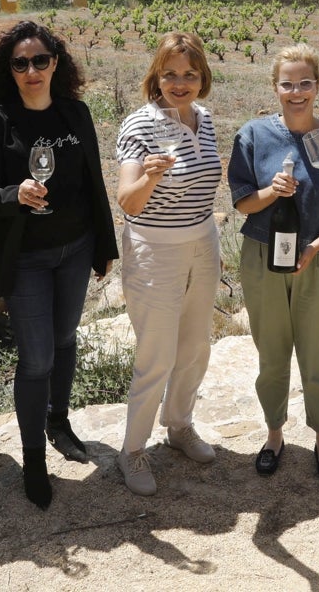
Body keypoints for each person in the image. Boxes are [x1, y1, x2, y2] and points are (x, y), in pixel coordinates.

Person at [0, 20, 118, 510]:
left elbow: (94, 183)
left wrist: (103, 246)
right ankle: (33, 456)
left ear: (56, 63)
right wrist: (18, 194)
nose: (31, 70)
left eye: (40, 60)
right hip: (27, 259)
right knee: (36, 359)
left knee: (64, 339)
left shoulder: (75, 114)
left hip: (74, 249)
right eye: (20, 62)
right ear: (7, 69)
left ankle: (59, 421)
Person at [227, 44, 319, 481]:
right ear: (275, 88)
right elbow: (244, 204)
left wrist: (314, 247)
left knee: (316, 354)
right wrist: (273, 192)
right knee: (271, 354)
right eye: (288, 83)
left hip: (318, 260)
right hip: (262, 256)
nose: (297, 91)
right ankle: (274, 434)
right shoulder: (252, 136)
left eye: (305, 83)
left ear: (317, 86)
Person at [115, 32, 222, 496]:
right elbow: (128, 202)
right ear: (156, 76)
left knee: (196, 345)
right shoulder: (139, 125)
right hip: (154, 249)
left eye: (189, 74)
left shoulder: (207, 118)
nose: (180, 83)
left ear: (202, 78)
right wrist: (152, 177)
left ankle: (179, 426)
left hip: (203, 240)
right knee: (155, 354)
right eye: (171, 74)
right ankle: (132, 450)